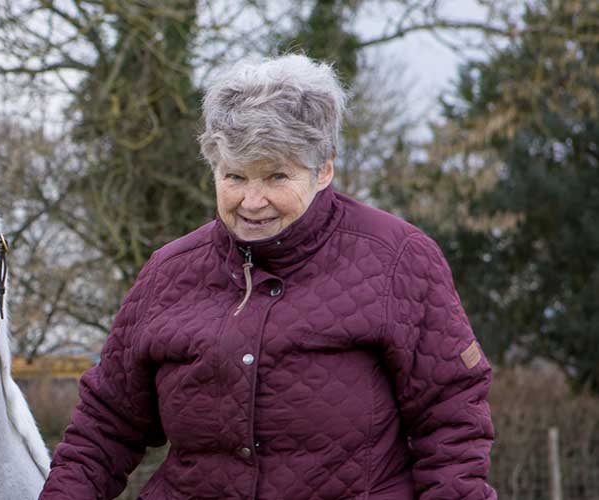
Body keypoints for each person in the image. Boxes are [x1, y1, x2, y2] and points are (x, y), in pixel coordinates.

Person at [38, 55, 496, 499]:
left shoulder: (398, 259)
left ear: (324, 170)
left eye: (277, 177)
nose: (252, 201)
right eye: (234, 176)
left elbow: (451, 420)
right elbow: (105, 427)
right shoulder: (167, 273)